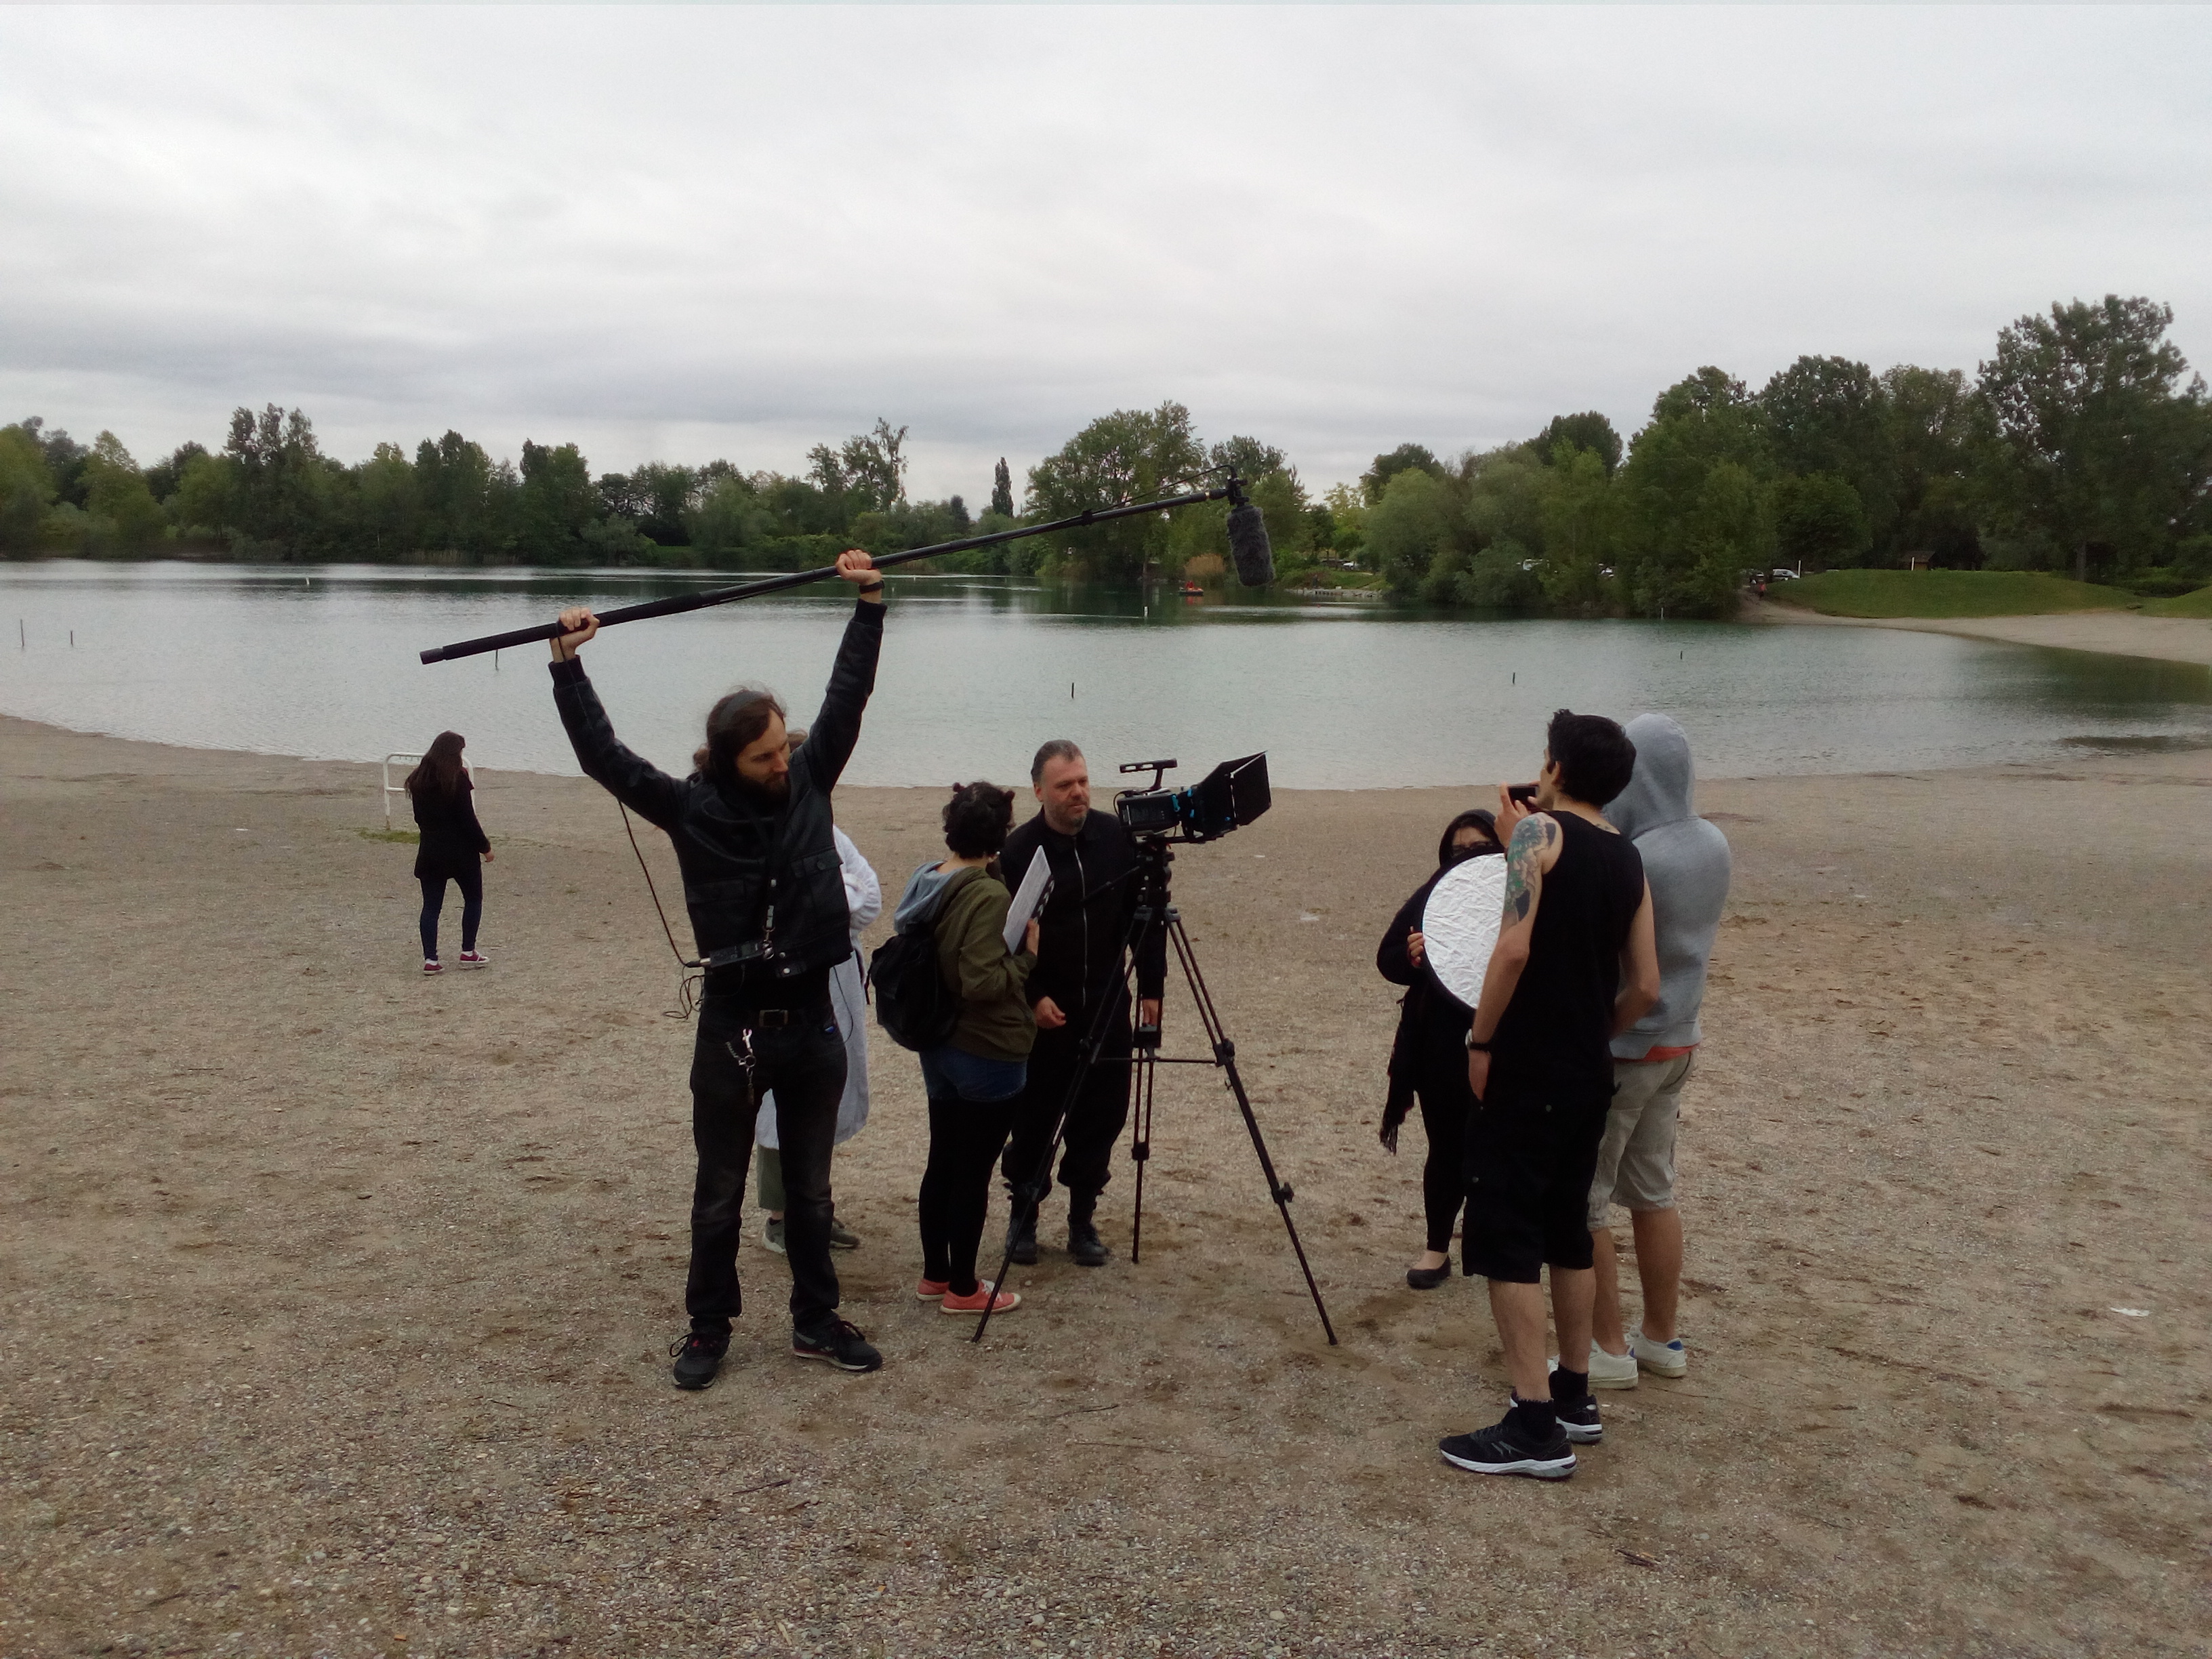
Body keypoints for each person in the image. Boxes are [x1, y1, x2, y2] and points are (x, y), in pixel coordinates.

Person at [545, 550, 887, 1390]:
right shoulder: (689, 810)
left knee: (810, 1194)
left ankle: (815, 1321)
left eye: (782, 749)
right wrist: (567, 667)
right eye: (764, 756)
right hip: (733, 1032)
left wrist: (870, 602)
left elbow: (848, 699)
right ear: (728, 759)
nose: (782, 764)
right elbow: (605, 757)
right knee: (719, 1193)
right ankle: (708, 1328)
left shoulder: (810, 782)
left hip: (815, 1024)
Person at [1439, 710, 1658, 1481]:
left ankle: (1533, 1424)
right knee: (1568, 1231)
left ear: (1557, 770)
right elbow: (1647, 985)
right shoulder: (1629, 856)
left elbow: (1513, 949)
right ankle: (1574, 1393)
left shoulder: (1537, 836)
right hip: (1588, 1072)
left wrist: (1482, 1041)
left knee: (1506, 1233)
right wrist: (1593, 1031)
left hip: (1528, 1067)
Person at [1583, 714, 1731, 1388]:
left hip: (1630, 1045)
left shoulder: (1640, 860)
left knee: (1586, 1204)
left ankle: (1608, 1348)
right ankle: (1662, 1337)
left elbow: (1621, 967)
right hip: (1680, 1039)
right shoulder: (1711, 843)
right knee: (1653, 1193)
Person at [997, 740, 1166, 1268]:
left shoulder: (1116, 837)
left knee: (1102, 1117)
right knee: (1035, 1118)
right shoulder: (1020, 851)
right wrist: (1033, 997)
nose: (1078, 793)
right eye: (1065, 785)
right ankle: (1024, 1214)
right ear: (1039, 791)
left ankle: (1082, 1219)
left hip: (1108, 1001)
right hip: (1049, 1010)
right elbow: (1005, 937)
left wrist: (1153, 987)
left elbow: (1144, 915)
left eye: (1083, 782)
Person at [895, 782, 1042, 1315]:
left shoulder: (928, 878)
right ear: (1000, 834)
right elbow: (982, 981)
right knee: (972, 1171)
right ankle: (963, 1288)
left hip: (938, 1040)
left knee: (942, 1159)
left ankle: (936, 1274)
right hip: (985, 1046)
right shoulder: (987, 896)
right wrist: (1027, 956)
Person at [757, 728, 878, 1258]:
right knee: (777, 1104)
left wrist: (829, 899)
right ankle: (780, 1218)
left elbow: (868, 898)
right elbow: (790, 907)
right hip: (781, 988)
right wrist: (830, 899)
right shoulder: (760, 831)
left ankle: (814, 1208)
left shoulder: (828, 830)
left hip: (834, 981)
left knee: (823, 1097)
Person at [1377, 808, 1503, 1290]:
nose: (1467, 857)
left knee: (1499, 1146)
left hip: (1505, 1041)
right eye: (1457, 850)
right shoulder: (1433, 894)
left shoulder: (1519, 896)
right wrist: (1414, 958)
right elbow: (1387, 957)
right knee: (1447, 1146)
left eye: (1480, 847)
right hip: (1438, 1044)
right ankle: (1436, 1247)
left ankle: (1494, 1244)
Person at [405, 730, 493, 975]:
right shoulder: (457, 779)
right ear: (454, 753)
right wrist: (485, 847)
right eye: (461, 751)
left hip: (431, 850)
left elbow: (418, 818)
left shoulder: (418, 779)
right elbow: (468, 819)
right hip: (461, 852)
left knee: (431, 907)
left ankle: (430, 959)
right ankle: (468, 951)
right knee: (473, 899)